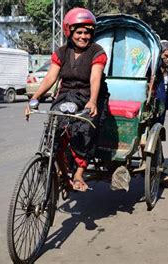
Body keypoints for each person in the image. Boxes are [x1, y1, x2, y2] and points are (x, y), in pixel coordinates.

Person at [25, 7, 109, 192]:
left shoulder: (98, 52)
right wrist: (35, 98)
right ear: (69, 31)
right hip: (66, 95)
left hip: (91, 97)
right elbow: (50, 78)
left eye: (87, 32)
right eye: (79, 32)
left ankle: (79, 173)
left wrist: (93, 101)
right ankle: (63, 173)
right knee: (55, 132)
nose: (83, 36)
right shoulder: (61, 52)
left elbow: (95, 78)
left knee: (84, 130)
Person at [153, 40, 168, 185]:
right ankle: (160, 169)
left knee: (156, 140)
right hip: (149, 109)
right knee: (153, 141)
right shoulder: (151, 69)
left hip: (161, 110)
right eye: (166, 56)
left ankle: (159, 169)